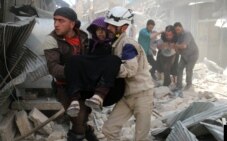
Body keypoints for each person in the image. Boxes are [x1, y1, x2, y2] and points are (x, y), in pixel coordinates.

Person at [43, 7, 98, 141]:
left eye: (61, 20)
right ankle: (80, 135)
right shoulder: (51, 40)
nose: (56, 24)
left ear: (72, 24)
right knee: (78, 120)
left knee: (83, 116)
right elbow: (53, 68)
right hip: (64, 87)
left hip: (85, 85)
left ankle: (89, 133)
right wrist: (76, 72)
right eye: (55, 20)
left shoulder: (83, 37)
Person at [102, 6, 154, 141]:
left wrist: (108, 69)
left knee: (140, 137)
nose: (108, 28)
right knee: (109, 130)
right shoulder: (115, 44)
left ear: (123, 28)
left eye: (112, 26)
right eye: (108, 25)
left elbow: (130, 70)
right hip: (127, 96)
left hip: (142, 95)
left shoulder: (128, 45)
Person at [64, 17, 123, 114]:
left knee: (114, 60)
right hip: (87, 87)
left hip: (107, 90)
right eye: (98, 30)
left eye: (104, 30)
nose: (100, 32)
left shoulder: (114, 45)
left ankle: (99, 96)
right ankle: (74, 100)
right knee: (73, 60)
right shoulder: (88, 44)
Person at [173, 22, 199, 92]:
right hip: (184, 55)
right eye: (176, 30)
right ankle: (179, 86)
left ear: (181, 28)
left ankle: (188, 85)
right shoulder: (178, 36)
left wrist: (175, 46)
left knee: (188, 69)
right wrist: (176, 48)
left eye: (178, 29)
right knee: (179, 68)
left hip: (192, 55)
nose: (177, 31)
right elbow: (178, 49)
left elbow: (184, 46)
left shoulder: (187, 33)